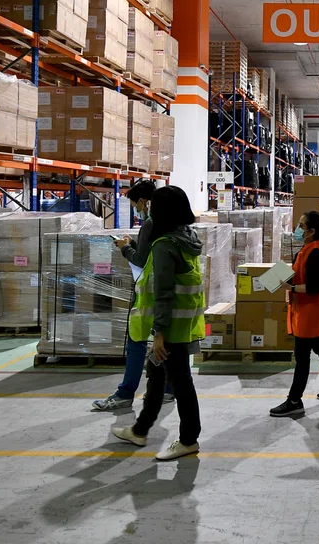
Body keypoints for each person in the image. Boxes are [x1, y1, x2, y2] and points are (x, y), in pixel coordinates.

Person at [111, 186, 206, 461]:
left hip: (170, 328)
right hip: (180, 323)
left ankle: (189, 439)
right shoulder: (188, 236)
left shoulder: (165, 245)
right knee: (156, 375)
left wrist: (159, 334)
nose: (148, 208)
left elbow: (164, 292)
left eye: (153, 205)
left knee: (181, 383)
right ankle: (140, 430)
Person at [92, 180, 175, 411]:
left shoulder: (150, 223)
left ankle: (125, 393)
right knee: (164, 342)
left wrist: (124, 248)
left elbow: (141, 260)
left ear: (143, 201)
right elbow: (152, 251)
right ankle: (168, 390)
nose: (136, 209)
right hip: (167, 292)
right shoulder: (171, 223)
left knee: (136, 342)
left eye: (135, 205)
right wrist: (135, 244)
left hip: (150, 292)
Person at [270, 211, 319, 417]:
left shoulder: (316, 254)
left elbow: (314, 287)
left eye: (301, 226)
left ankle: (294, 400)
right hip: (307, 311)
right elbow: (300, 275)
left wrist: (289, 287)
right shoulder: (307, 250)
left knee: (302, 358)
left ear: (311, 231)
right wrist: (277, 276)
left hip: (310, 313)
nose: (297, 229)